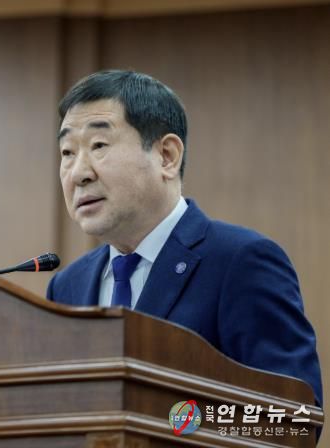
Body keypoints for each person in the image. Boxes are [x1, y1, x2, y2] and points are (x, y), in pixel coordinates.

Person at [46, 70, 323, 407]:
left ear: (167, 156)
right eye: (67, 152)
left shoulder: (241, 262)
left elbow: (295, 418)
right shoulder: (67, 286)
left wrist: (182, 422)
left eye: (98, 145)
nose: (78, 173)